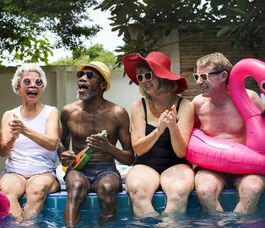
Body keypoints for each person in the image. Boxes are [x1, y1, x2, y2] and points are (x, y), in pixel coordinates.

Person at [58, 61, 134, 226]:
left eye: (90, 75)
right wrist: (63, 154)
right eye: (81, 75)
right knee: (76, 187)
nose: (82, 78)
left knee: (107, 189)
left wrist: (109, 148)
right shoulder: (68, 112)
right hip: (78, 168)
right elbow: (61, 144)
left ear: (102, 84)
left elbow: (129, 158)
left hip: (106, 169)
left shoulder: (117, 113)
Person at [122, 52, 195, 216]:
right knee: (136, 190)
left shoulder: (185, 106)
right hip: (145, 166)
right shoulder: (139, 106)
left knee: (179, 193)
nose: (144, 81)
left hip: (176, 165)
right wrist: (158, 130)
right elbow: (138, 149)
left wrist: (173, 127)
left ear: (162, 76)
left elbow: (181, 152)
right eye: (140, 77)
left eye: (148, 75)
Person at [192, 52, 265, 213]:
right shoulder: (198, 104)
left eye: (204, 76)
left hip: (247, 166)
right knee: (204, 192)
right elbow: (192, 135)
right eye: (196, 76)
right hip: (212, 167)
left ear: (223, 76)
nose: (198, 82)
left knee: (253, 190)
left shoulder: (249, 98)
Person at [0, 63, 60, 220]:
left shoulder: (50, 112)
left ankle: (27, 224)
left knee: (37, 189)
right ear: (18, 89)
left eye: (38, 82)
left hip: (43, 172)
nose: (33, 85)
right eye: (27, 82)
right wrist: (13, 138)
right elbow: (2, 152)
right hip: (14, 172)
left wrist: (25, 130)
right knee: (6, 189)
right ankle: (18, 223)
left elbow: (52, 143)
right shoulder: (9, 115)